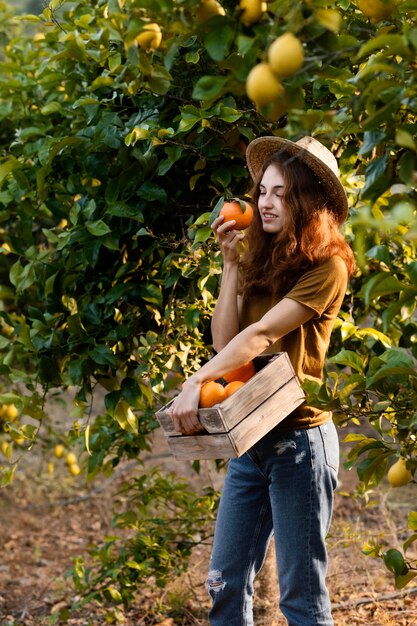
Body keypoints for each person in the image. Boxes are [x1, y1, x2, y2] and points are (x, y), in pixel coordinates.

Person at [169, 135, 356, 626]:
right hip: (252, 438)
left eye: (281, 193)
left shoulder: (329, 267)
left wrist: (195, 382)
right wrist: (231, 265)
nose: (266, 203)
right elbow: (226, 341)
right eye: (263, 192)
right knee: (225, 584)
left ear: (308, 202)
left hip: (301, 444)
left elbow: (262, 335)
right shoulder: (260, 256)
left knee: (301, 598)